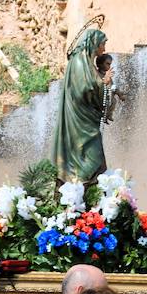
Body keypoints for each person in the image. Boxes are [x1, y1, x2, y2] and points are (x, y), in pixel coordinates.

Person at [51, 26, 113, 183]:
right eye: (102, 44)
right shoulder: (79, 60)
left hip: (87, 119)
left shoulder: (88, 62)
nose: (104, 48)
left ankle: (89, 191)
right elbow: (82, 90)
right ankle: (80, 188)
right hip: (79, 121)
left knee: (96, 161)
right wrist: (102, 83)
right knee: (92, 156)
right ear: (94, 42)